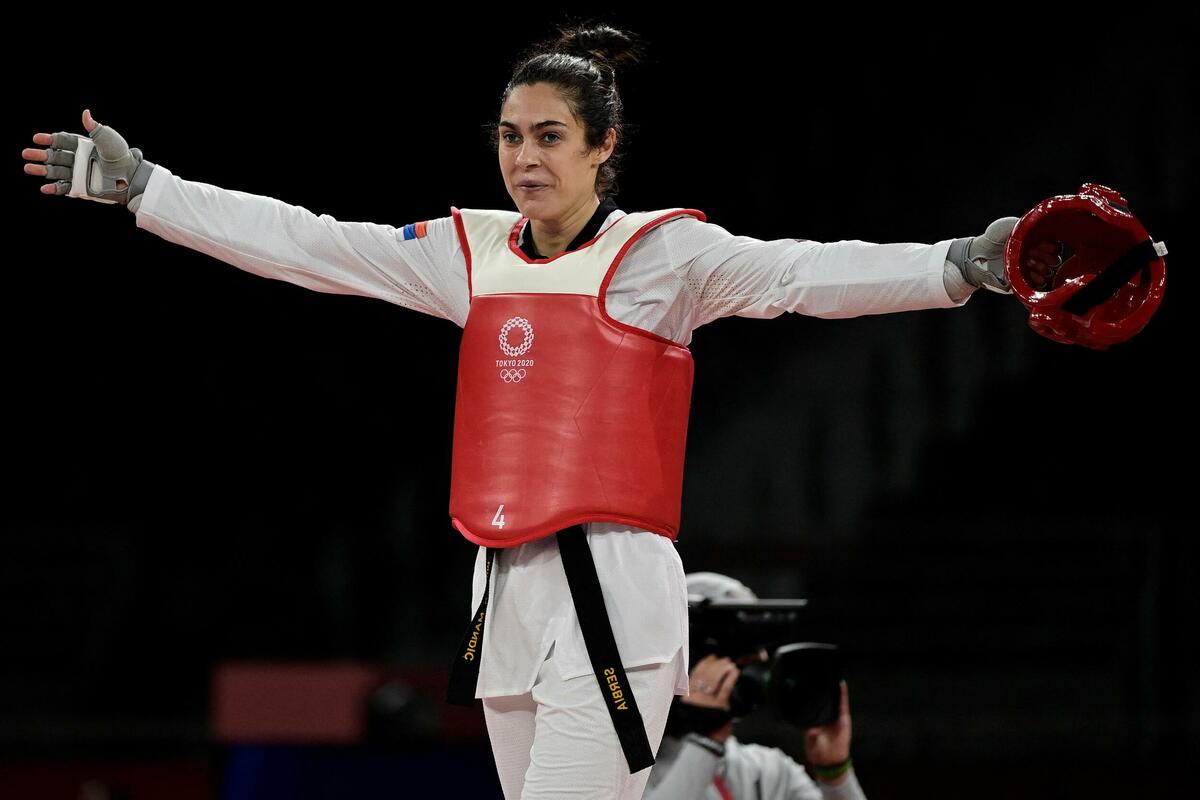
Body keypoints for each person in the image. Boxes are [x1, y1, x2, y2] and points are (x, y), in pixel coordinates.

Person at [21, 22, 1062, 800]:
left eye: (551, 136)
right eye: (511, 136)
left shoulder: (663, 256)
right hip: (505, 597)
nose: (525, 157)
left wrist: (953, 265)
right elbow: (310, 243)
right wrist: (148, 190)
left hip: (615, 593)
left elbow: (801, 273)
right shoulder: (467, 251)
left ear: (604, 145)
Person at [645, 572, 865, 799]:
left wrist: (835, 775)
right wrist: (705, 742)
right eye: (736, 656)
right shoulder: (630, 770)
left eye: (752, 657)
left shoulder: (769, 772)